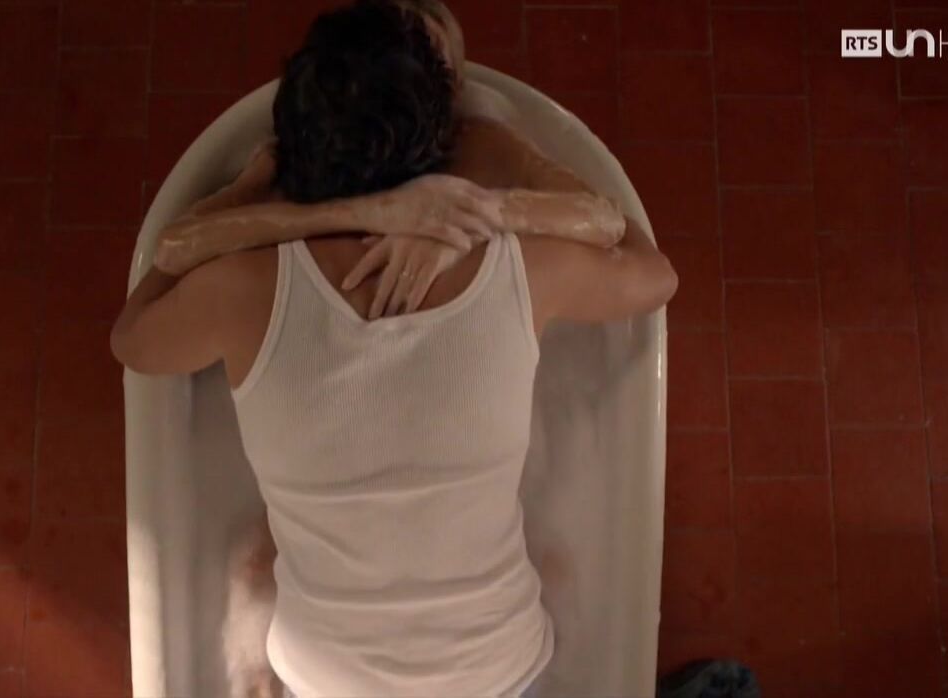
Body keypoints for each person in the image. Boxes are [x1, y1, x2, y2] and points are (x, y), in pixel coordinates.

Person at [111, 2, 678, 696]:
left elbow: (133, 336)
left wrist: (259, 197)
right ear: (446, 148)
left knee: (258, 553)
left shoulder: (238, 290)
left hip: (322, 680)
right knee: (544, 558)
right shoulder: (525, 268)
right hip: (500, 671)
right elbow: (653, 274)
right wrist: (505, 172)